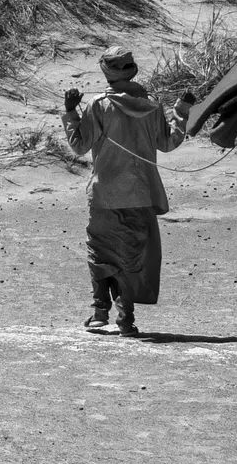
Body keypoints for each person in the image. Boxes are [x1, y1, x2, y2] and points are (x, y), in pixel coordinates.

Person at [60, 47, 182, 338]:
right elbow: (168, 143)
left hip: (104, 193)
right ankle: (126, 319)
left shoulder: (98, 105)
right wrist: (181, 114)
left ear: (107, 73)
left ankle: (100, 311)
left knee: (99, 248)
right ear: (132, 70)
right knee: (130, 255)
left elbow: (79, 146)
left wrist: (69, 112)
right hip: (140, 194)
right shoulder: (151, 104)